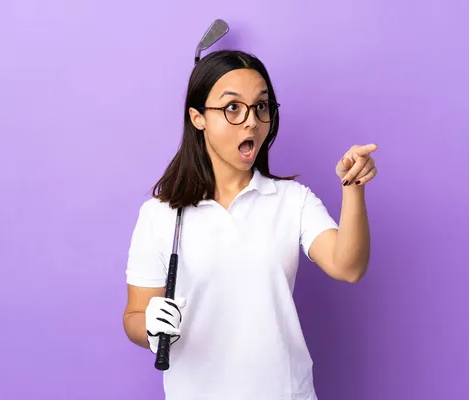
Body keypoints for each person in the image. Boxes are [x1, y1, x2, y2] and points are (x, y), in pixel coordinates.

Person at [122, 49, 378, 399]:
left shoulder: (292, 200)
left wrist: (353, 188)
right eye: (232, 108)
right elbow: (134, 315)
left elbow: (348, 266)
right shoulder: (159, 215)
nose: (251, 121)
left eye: (261, 106)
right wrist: (149, 325)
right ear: (198, 117)